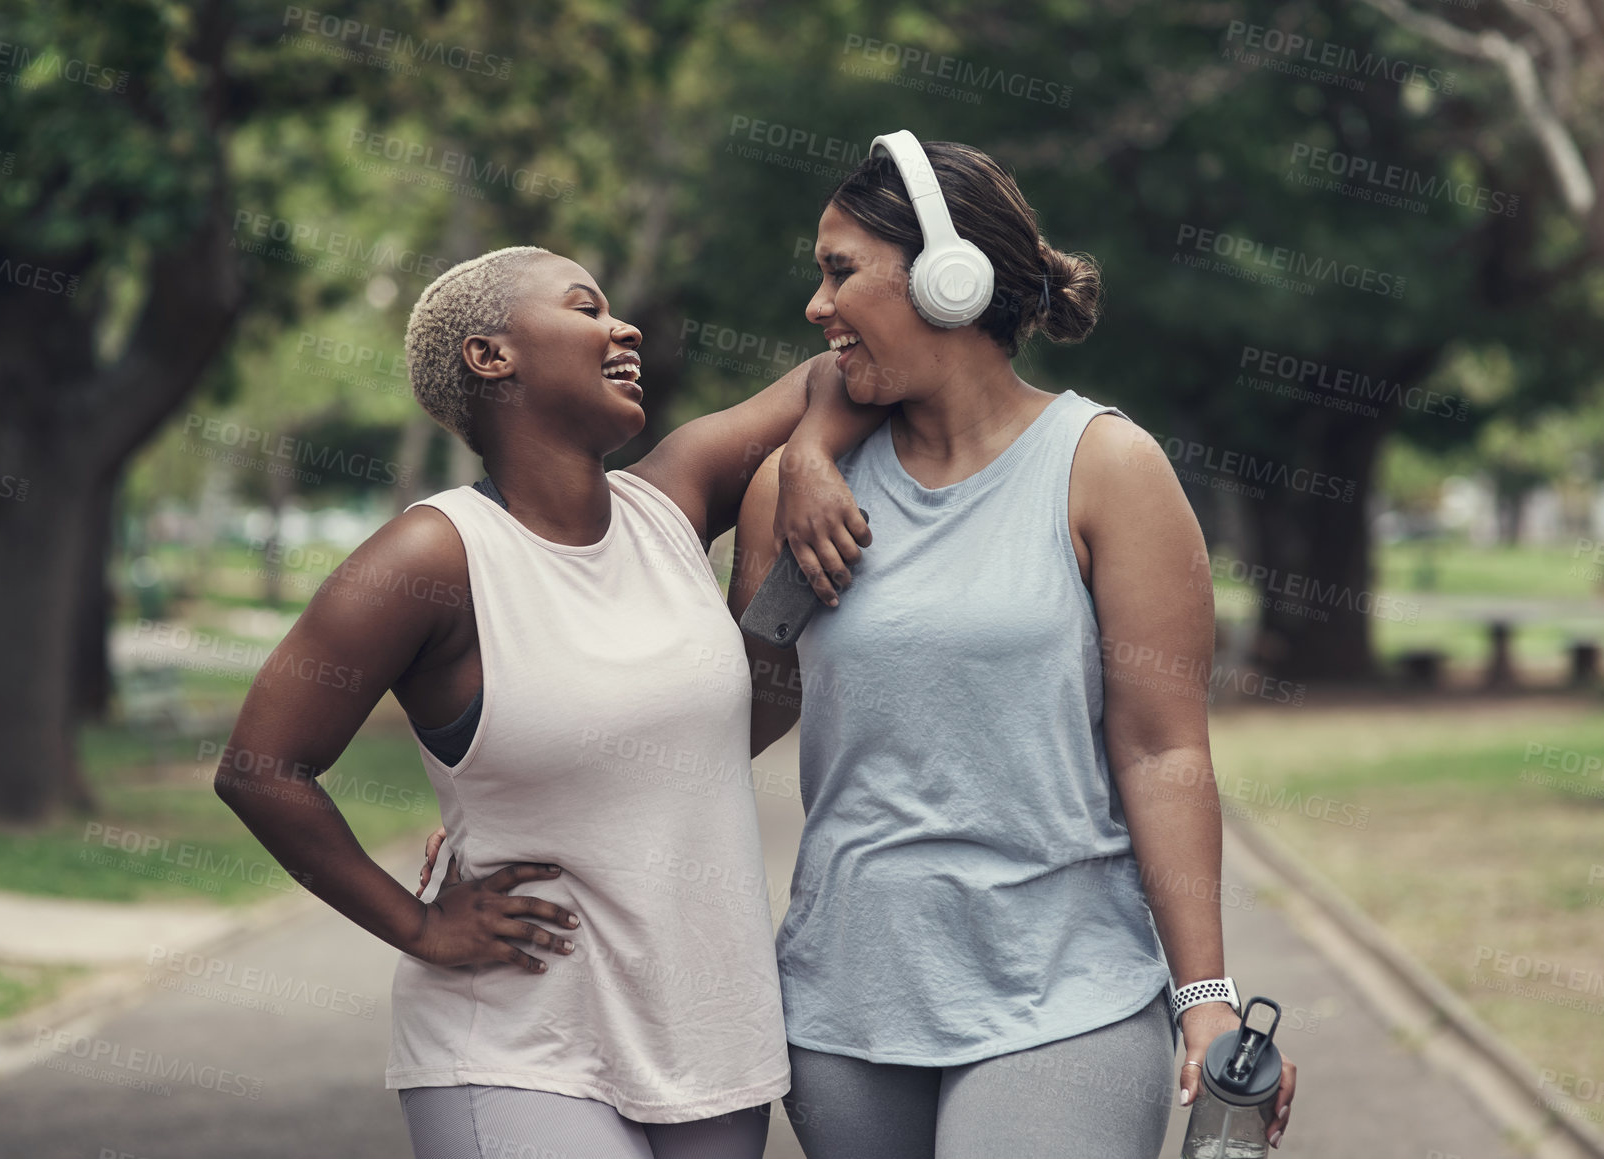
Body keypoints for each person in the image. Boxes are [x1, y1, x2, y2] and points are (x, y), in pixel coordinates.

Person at [213, 243, 881, 1159]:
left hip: (710, 1036)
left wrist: (806, 455)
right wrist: (418, 927)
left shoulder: (670, 503)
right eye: (584, 307)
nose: (624, 326)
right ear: (492, 356)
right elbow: (261, 767)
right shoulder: (434, 556)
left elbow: (832, 373)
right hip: (517, 1040)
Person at [724, 138, 1300, 1158]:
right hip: (843, 1004)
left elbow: (1161, 748)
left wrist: (1204, 997)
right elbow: (738, 722)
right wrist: (510, 802)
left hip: (1065, 991)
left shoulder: (1103, 466)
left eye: (839, 270)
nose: (815, 306)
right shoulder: (794, 487)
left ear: (950, 277)